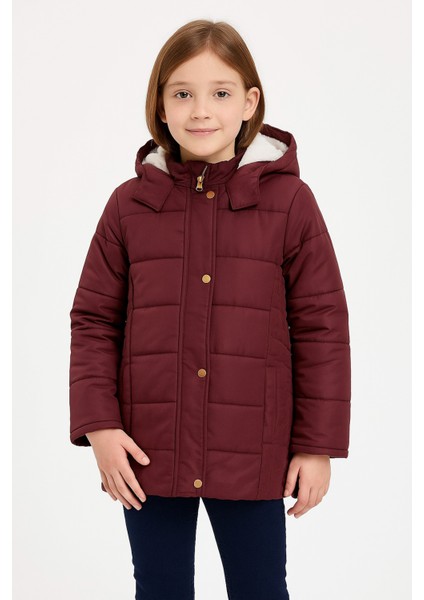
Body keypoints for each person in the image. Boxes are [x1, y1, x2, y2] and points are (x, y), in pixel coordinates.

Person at [68, 18, 351, 600]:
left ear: (249, 102)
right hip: (147, 447)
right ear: (161, 105)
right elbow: (93, 321)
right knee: (159, 588)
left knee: (260, 588)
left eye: (220, 93)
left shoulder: (290, 203)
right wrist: (99, 426)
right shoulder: (128, 206)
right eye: (182, 93)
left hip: (254, 448)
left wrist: (316, 445)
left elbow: (322, 327)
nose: (201, 111)